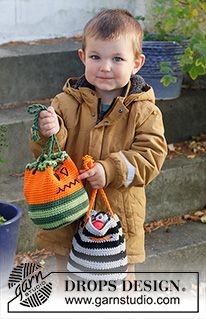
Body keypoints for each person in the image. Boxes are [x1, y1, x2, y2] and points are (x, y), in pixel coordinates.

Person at [30, 9, 167, 280]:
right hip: (68, 211)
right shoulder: (64, 103)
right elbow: (42, 154)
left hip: (119, 217)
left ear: (136, 63)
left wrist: (111, 170)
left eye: (117, 58)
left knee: (119, 282)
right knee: (65, 278)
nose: (105, 66)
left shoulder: (144, 111)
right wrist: (49, 134)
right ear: (83, 57)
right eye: (96, 57)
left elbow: (150, 157)